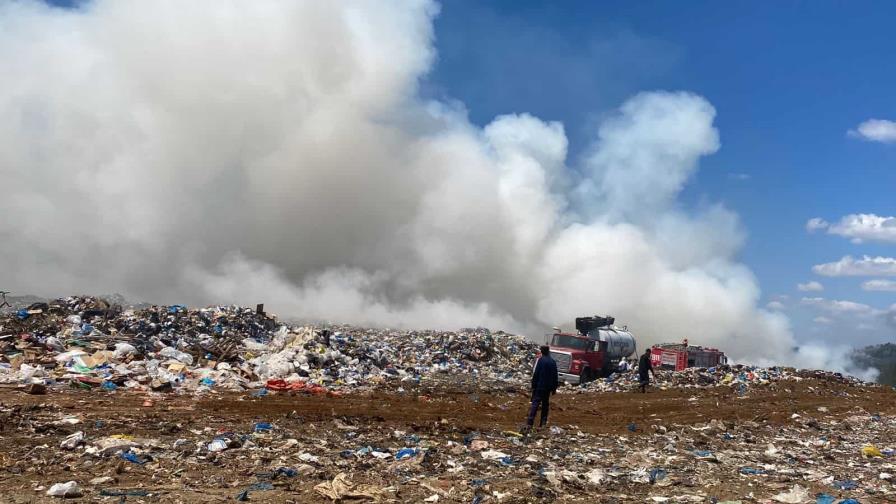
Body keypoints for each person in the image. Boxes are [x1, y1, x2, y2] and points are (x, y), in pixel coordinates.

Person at [526, 345, 559, 430]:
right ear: (548, 351)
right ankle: (542, 424)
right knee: (545, 405)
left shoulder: (541, 360)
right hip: (548, 388)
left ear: (542, 351)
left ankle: (530, 423)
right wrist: (554, 388)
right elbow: (555, 376)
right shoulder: (552, 362)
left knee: (535, 404)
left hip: (540, 386)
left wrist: (533, 385)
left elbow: (536, 374)